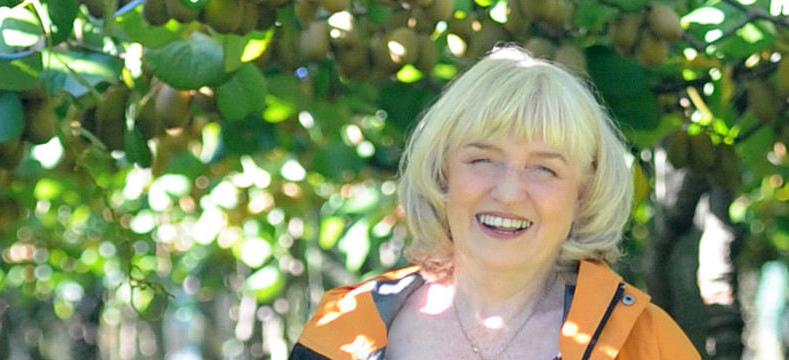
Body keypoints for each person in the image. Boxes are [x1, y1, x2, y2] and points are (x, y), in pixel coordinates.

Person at [290, 46, 700, 359]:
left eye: (544, 169)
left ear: (582, 194)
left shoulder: (645, 343)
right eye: (482, 160)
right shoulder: (343, 327)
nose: (507, 192)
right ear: (442, 173)